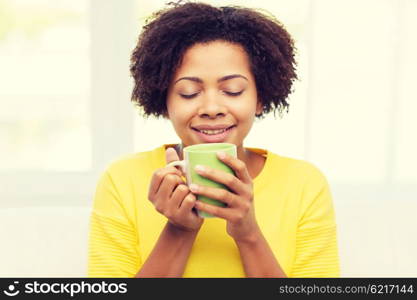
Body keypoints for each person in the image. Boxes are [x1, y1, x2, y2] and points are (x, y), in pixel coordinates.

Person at [87, 1, 340, 278]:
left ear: (260, 98)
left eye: (232, 91)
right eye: (188, 93)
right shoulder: (123, 180)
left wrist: (249, 233)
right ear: (164, 100)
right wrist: (179, 229)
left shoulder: (303, 184)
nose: (211, 108)